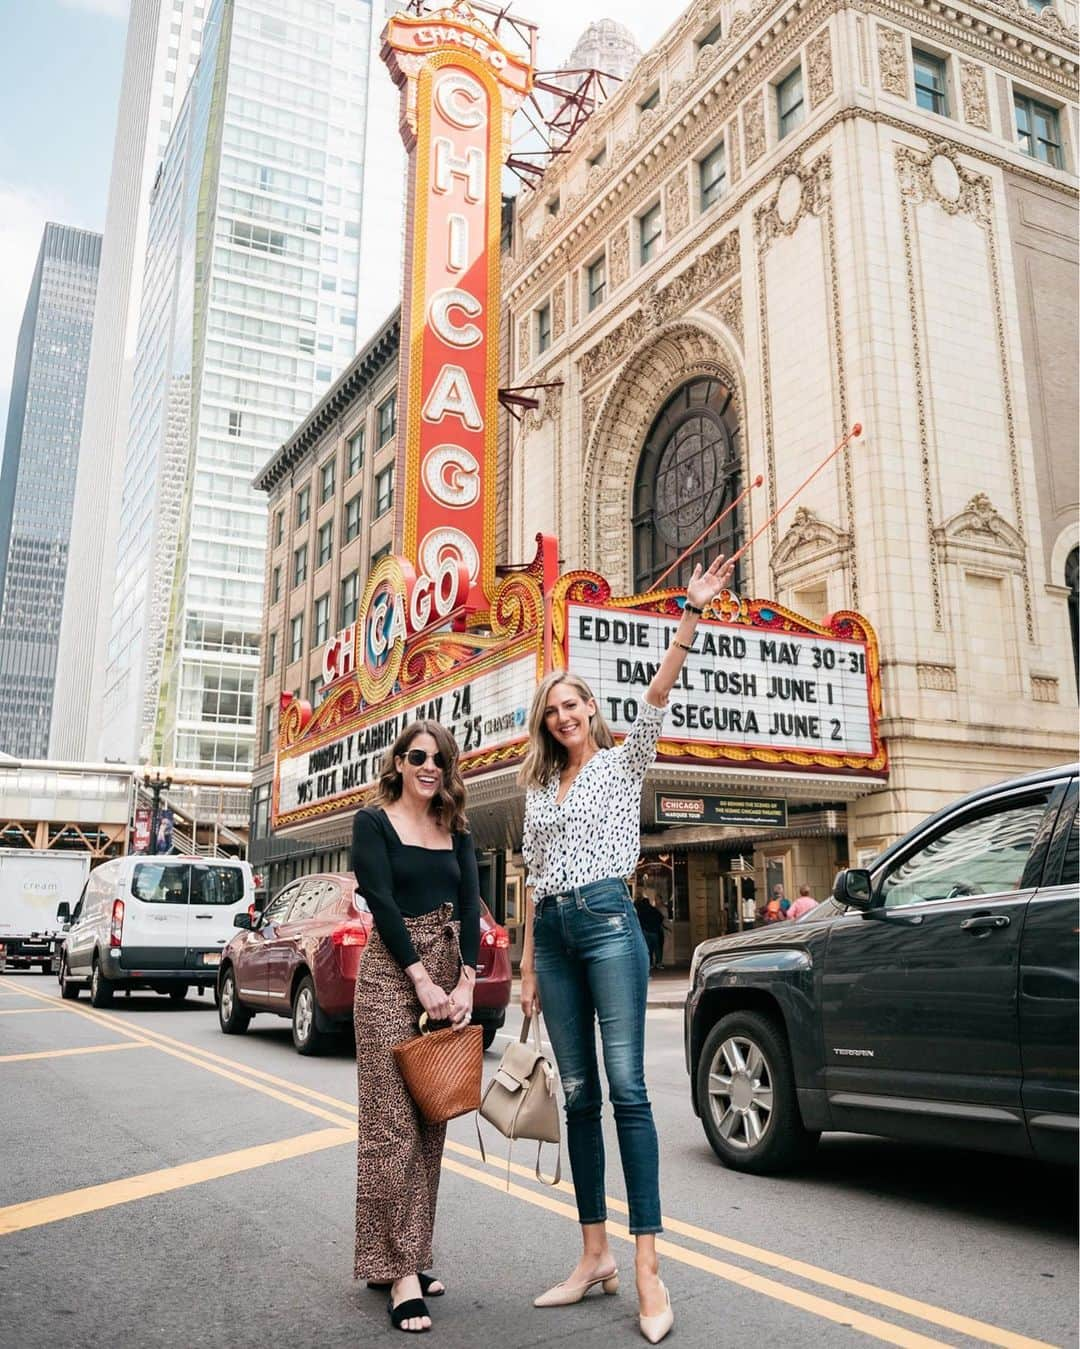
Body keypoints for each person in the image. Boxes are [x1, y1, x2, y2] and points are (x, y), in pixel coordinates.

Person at [519, 554, 734, 1346]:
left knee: (628, 1091)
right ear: (545, 722)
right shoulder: (541, 788)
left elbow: (660, 689)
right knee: (577, 1095)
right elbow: (534, 873)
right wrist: (526, 970)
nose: (565, 715)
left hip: (610, 926)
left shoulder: (621, 759)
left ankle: (647, 1265)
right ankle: (593, 1253)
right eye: (553, 709)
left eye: (573, 703)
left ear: (591, 710)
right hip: (554, 938)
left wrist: (690, 615)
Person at [351, 721, 480, 1335]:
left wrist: (465, 982)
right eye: (418, 756)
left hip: (447, 976)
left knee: (431, 1126)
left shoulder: (456, 828)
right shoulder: (373, 822)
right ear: (399, 762)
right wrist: (422, 980)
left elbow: (478, 906)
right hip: (388, 976)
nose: (429, 766)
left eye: (440, 759)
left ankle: (411, 1252)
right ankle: (398, 1272)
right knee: (390, 1127)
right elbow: (380, 901)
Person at [634, 893, 664, 970]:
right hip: (654, 931)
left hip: (645, 932)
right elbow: (660, 918)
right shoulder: (654, 910)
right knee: (657, 949)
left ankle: (650, 963)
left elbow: (639, 921)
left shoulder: (641, 911)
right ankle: (658, 963)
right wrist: (656, 926)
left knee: (648, 949)